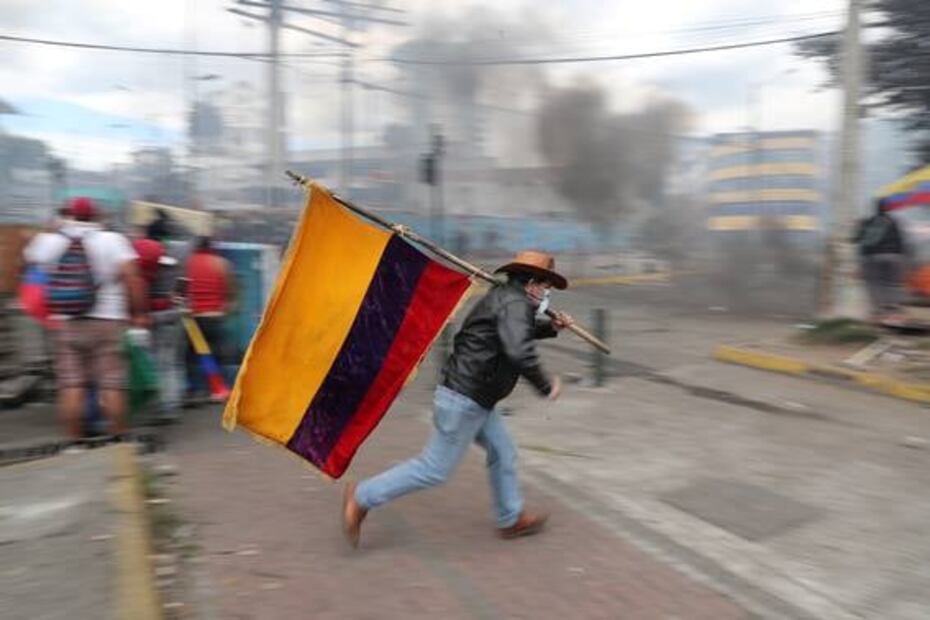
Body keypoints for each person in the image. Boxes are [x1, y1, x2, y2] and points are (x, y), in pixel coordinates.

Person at [342, 250, 574, 547]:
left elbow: (512, 334)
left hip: (476, 398)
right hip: (466, 399)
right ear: (531, 283)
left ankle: (510, 518)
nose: (546, 293)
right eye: (545, 286)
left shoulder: (505, 298)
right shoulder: (514, 303)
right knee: (434, 469)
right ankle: (361, 497)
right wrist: (546, 385)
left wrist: (550, 327)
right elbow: (518, 350)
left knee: (503, 452)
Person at [22, 197, 146, 440]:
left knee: (72, 384)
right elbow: (133, 277)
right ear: (97, 216)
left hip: (67, 321)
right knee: (111, 384)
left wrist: (54, 229)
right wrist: (138, 313)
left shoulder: (49, 242)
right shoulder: (113, 240)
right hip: (108, 320)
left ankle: (74, 442)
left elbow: (27, 263)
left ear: (69, 215)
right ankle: (118, 439)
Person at [132, 215, 184, 423]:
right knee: (170, 363)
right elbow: (182, 288)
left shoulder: (144, 254)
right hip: (173, 314)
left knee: (153, 361)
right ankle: (170, 405)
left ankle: (159, 405)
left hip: (150, 316)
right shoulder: (178, 254)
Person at [184, 235, 233, 399]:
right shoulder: (221, 264)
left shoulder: (187, 262)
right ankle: (218, 390)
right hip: (215, 316)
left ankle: (195, 390)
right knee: (217, 354)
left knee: (195, 355)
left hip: (193, 317)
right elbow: (229, 291)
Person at [853, 198, 909, 323]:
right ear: (888, 208)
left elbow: (856, 240)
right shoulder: (894, 222)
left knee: (875, 284)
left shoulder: (868, 222)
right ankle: (894, 311)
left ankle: (879, 311)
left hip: (872, 257)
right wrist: (903, 260)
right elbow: (903, 242)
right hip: (894, 257)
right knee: (893, 284)